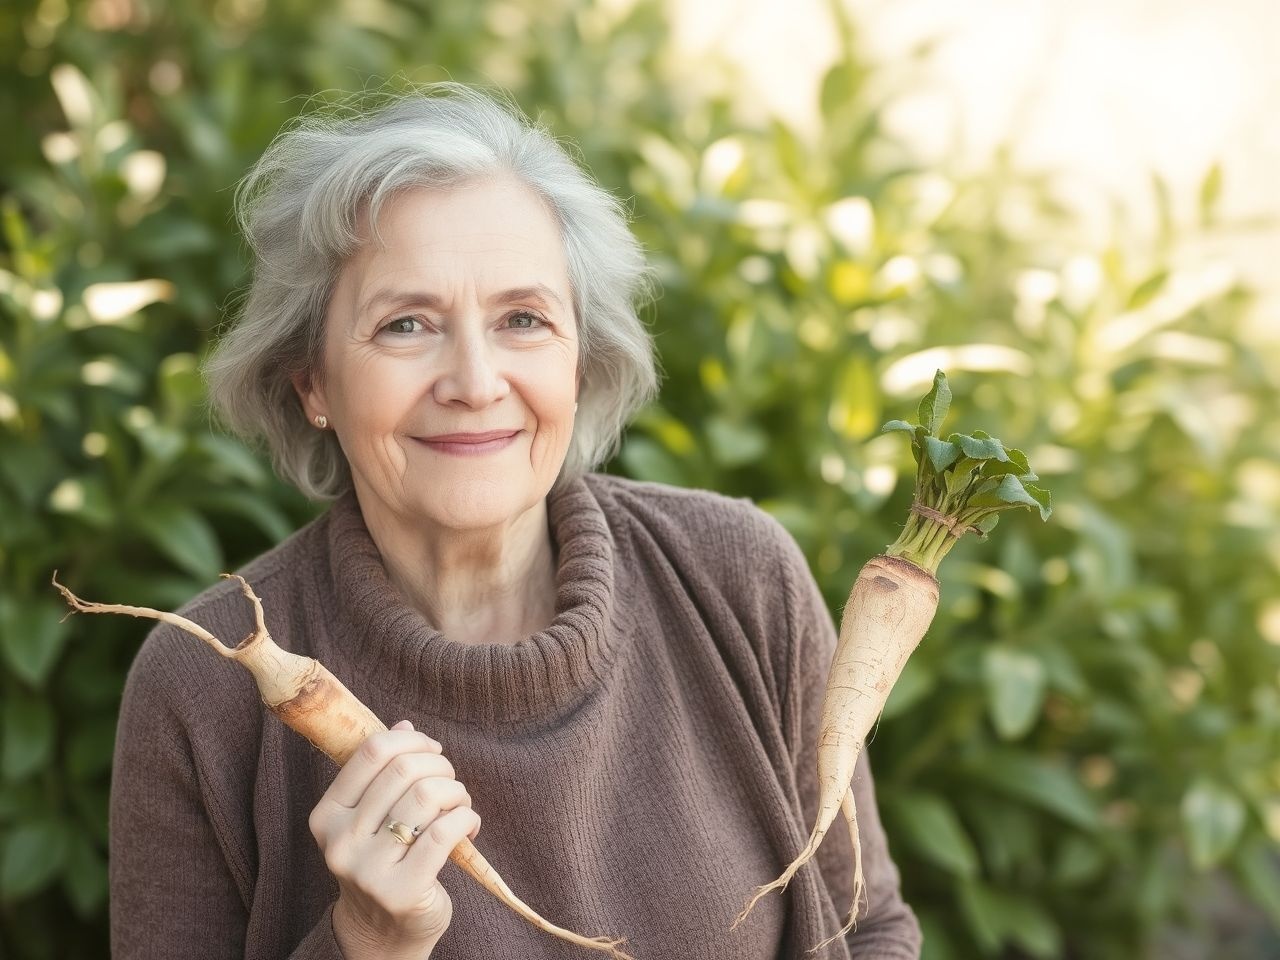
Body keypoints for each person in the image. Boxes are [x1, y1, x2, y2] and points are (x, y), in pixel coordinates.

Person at [109, 82, 922, 960]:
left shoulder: (739, 577)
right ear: (312, 382)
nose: (474, 381)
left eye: (523, 319)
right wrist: (366, 943)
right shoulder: (205, 688)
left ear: (580, 359)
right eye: (407, 323)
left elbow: (867, 928)